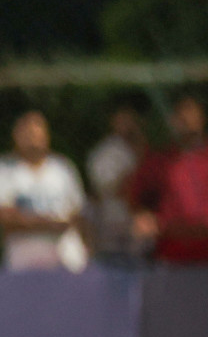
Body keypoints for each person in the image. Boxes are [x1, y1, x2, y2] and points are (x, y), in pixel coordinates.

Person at [0, 110, 88, 272]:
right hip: (24, 254)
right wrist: (49, 223)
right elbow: (3, 217)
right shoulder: (2, 169)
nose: (33, 139)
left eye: (37, 133)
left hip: (65, 254)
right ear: (16, 136)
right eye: (28, 133)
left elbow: (78, 213)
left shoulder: (62, 168)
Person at [131, 95, 208, 263]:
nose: (185, 119)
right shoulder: (160, 161)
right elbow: (135, 198)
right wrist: (144, 218)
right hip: (172, 253)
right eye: (180, 115)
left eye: (190, 112)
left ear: (201, 117)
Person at [86, 104, 147, 262]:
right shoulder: (105, 152)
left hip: (143, 231)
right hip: (113, 227)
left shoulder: (146, 148)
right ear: (113, 121)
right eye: (122, 119)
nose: (127, 124)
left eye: (130, 119)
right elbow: (111, 188)